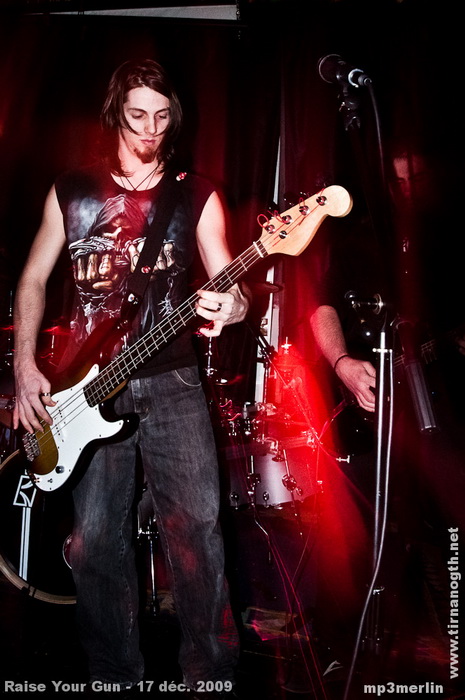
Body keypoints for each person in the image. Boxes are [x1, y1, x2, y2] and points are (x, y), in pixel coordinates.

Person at [13, 58, 249, 696]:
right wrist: (25, 364)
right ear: (115, 112)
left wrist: (233, 306)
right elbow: (32, 278)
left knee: (197, 530)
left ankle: (211, 676)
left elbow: (232, 283)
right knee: (95, 543)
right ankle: (112, 677)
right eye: (138, 115)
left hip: (173, 381)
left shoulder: (196, 193)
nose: (150, 129)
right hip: (85, 389)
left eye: (162, 116)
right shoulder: (71, 190)